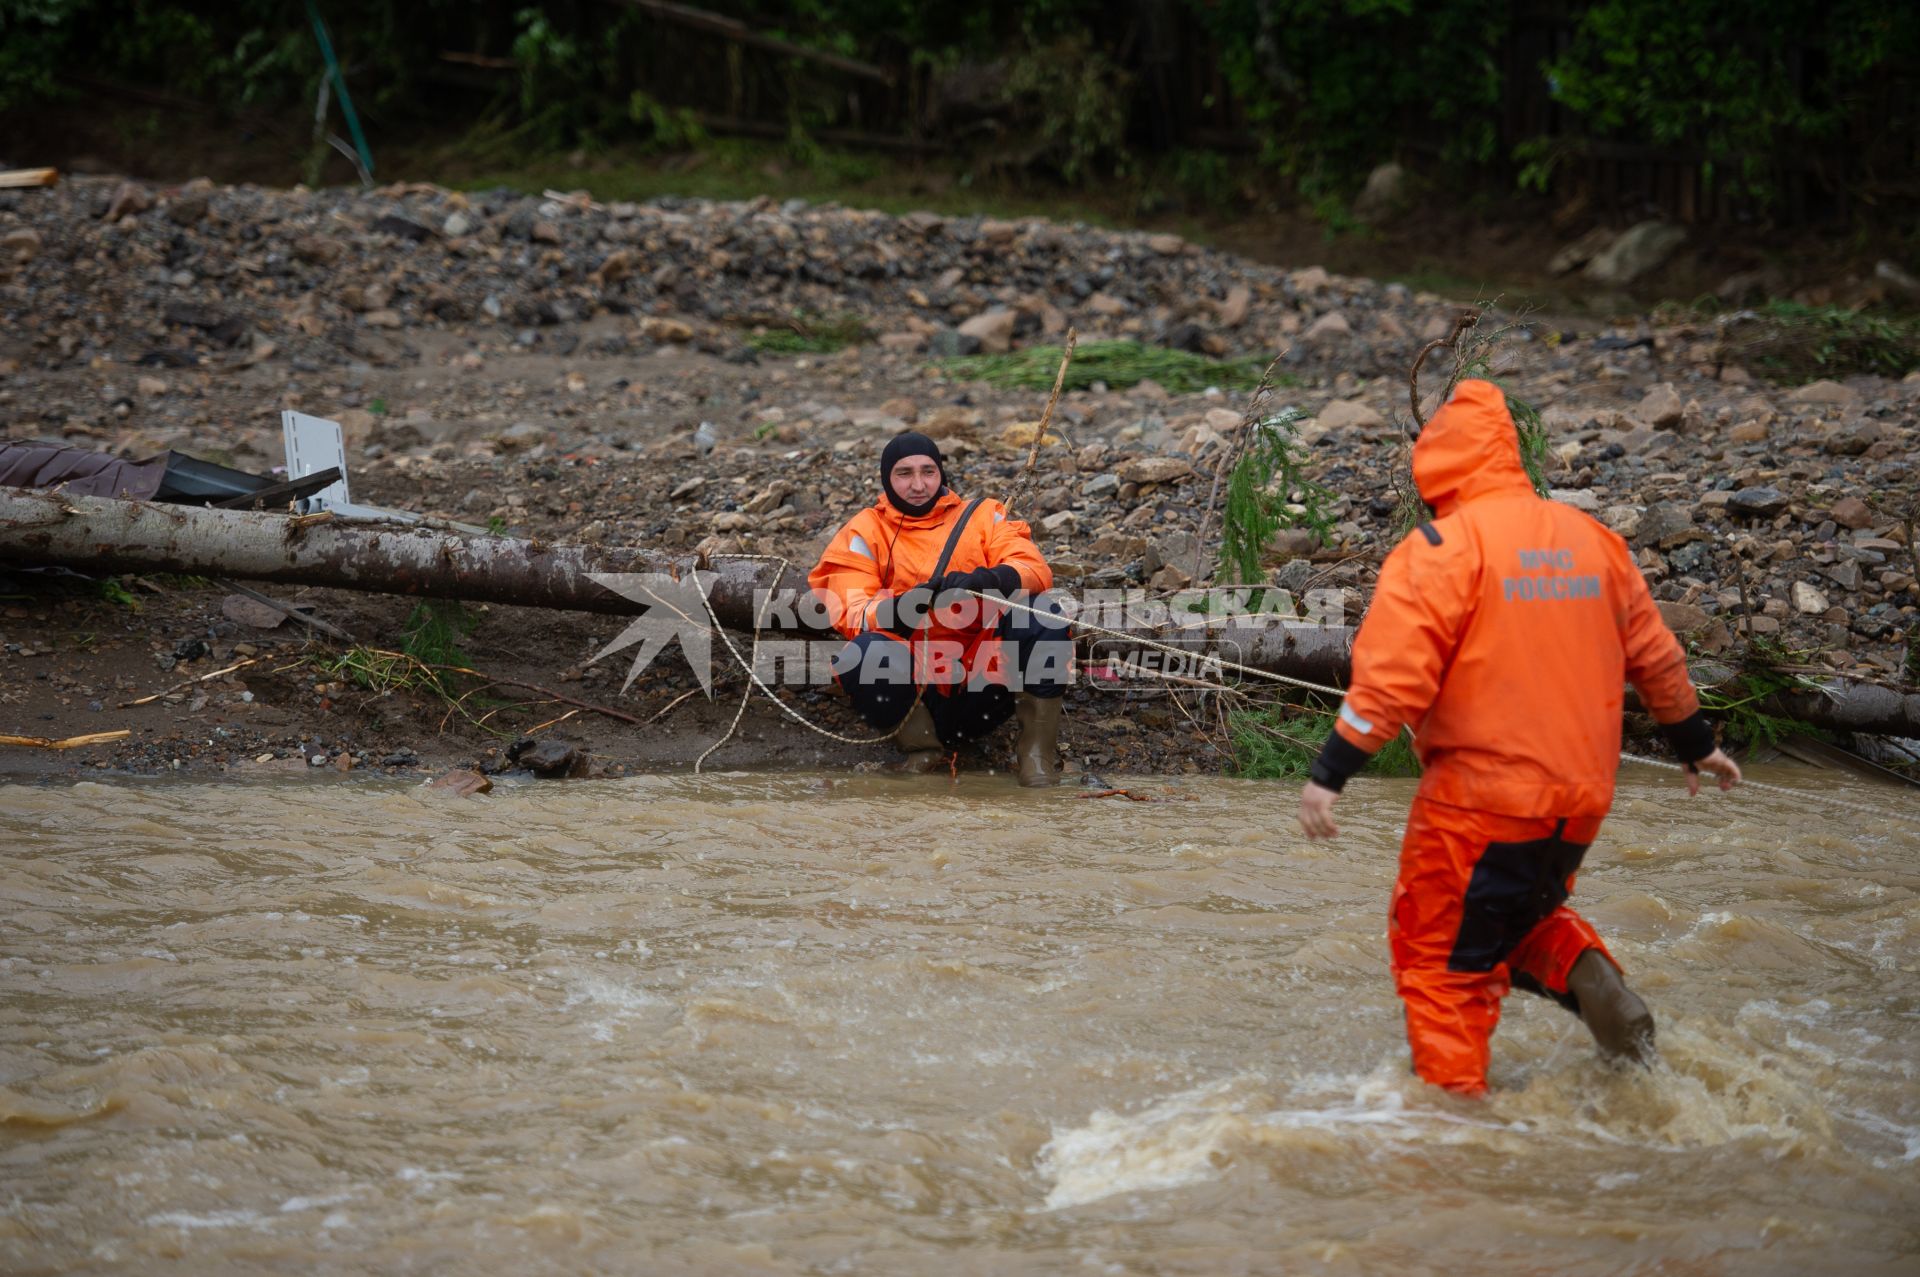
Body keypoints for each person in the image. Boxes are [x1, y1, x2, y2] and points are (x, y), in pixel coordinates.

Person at [1295, 379, 1741, 1096]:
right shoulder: (1592, 540)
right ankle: (1594, 982)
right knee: (1511, 913)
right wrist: (1694, 743)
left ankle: (1454, 1134)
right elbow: (1657, 656)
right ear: (1509, 456)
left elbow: (1391, 682)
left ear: (1436, 466)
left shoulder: (1441, 547)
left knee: (1439, 963)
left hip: (1478, 801)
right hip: (1578, 803)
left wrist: (1330, 772)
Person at [809, 431, 1071, 785]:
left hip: (982, 683)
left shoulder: (982, 515)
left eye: (928, 471)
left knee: (1043, 615)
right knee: (863, 652)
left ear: (941, 474)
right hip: (915, 688)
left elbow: (1034, 570)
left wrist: (985, 580)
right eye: (904, 474)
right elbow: (852, 610)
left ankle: (1036, 761)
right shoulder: (864, 531)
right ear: (887, 478)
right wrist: (903, 608)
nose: (918, 484)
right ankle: (923, 751)